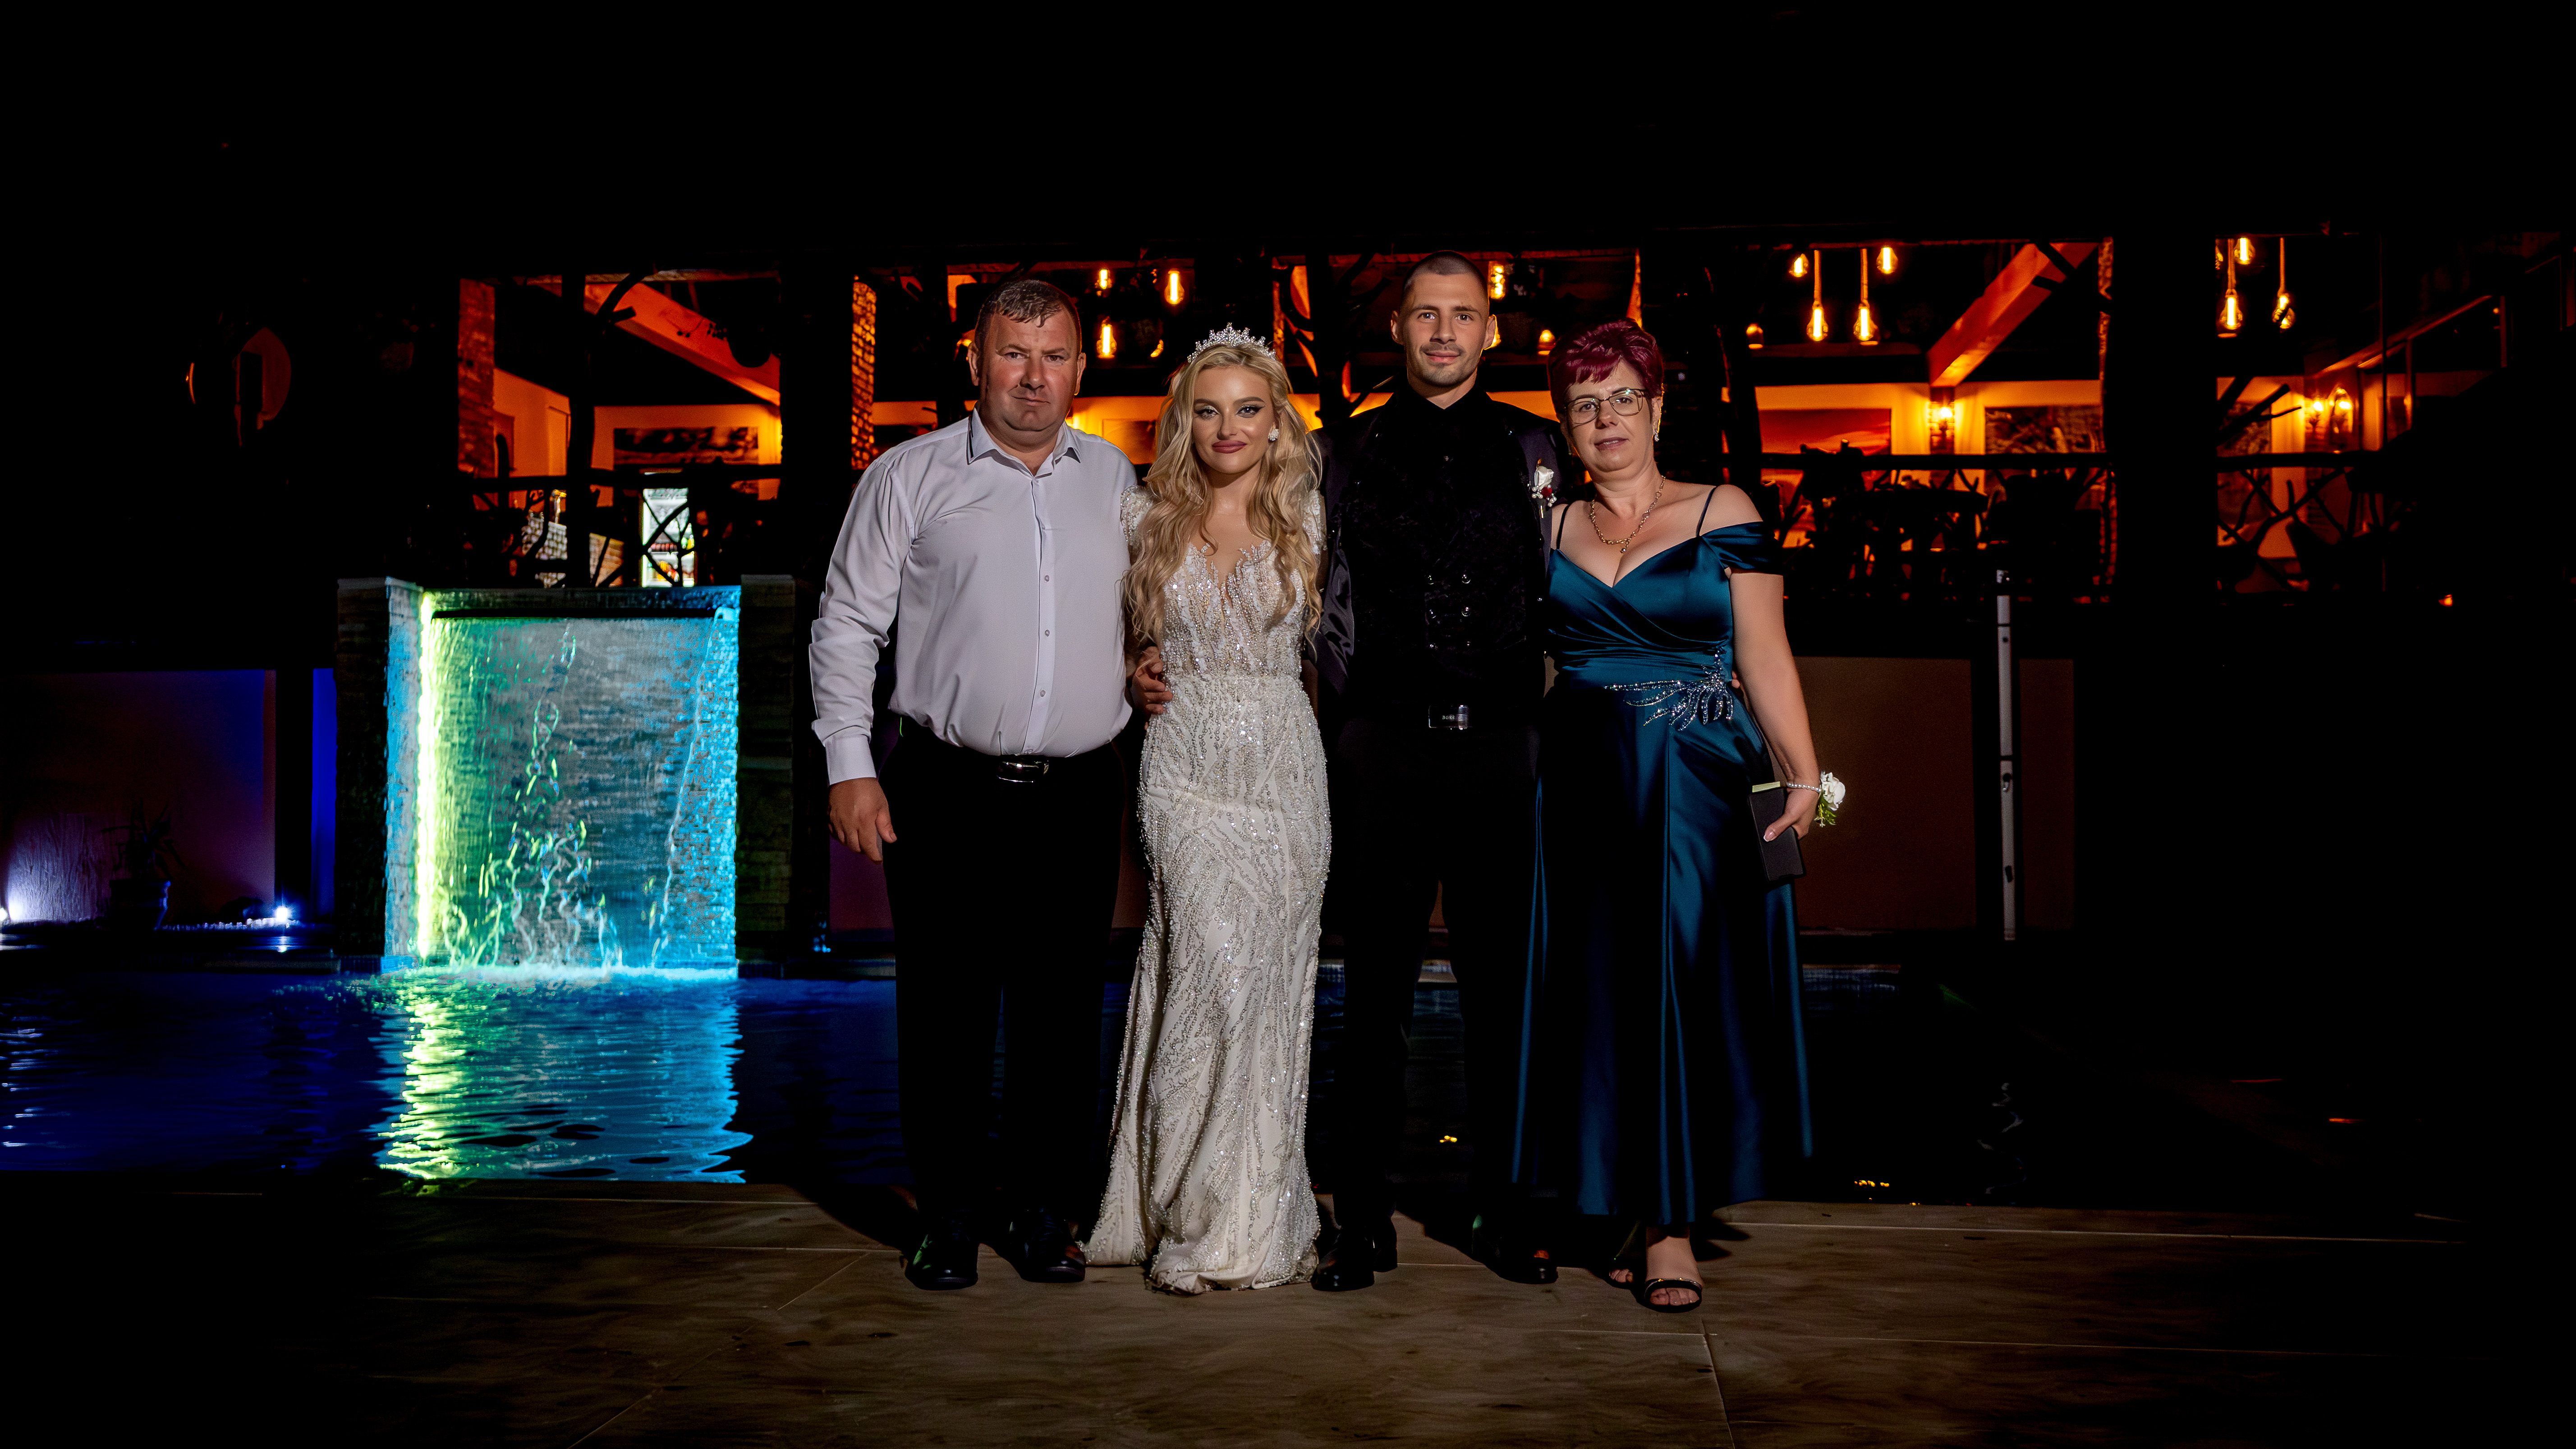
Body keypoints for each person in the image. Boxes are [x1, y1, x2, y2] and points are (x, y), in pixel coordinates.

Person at [1139, 253, 1570, 1291]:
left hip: (1502, 746)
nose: (1443, 331)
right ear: (1399, 328)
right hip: (1380, 747)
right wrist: (1148, 649)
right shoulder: (1340, 452)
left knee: (1504, 994)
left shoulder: (1536, 447)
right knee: (1372, 994)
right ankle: (1363, 1220)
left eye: (1462, 315)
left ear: (1488, 331)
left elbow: (1565, 582)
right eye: (1426, 314)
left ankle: (1509, 1209)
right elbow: (1251, 559)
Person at [810, 277, 1133, 1292]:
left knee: (1060, 1014)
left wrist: (1149, 661)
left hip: (1079, 791)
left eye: (1054, 356)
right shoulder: (907, 476)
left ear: (1079, 370)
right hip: (945, 784)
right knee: (945, 1010)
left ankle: (1040, 1212)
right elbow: (846, 625)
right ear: (976, 362)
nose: (1034, 377)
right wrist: (850, 765)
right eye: (1013, 354)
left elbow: (1142, 611)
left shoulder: (1115, 479)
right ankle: (947, 1218)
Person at [1512, 319, 1819, 1314]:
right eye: (1584, 405)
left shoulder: (1722, 507)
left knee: (1679, 986)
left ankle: (1672, 1225)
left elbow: (1764, 653)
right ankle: (1624, 1200)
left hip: (1694, 778)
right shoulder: (1546, 527)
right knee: (1601, 992)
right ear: (1565, 426)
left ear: (1655, 407)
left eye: (1622, 399)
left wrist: (1803, 772)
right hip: (1578, 785)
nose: (1605, 419)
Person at [1088, 328, 1330, 1292]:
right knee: (1207, 975)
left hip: (1284, 773)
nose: (1227, 427)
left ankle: (1250, 1206)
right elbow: (1091, 636)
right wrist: (1128, 669)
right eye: (1207, 409)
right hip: (1183, 766)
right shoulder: (1142, 515)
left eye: (1247, 409)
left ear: (1276, 424)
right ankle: (1185, 1206)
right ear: (1183, 421)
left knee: (1265, 990)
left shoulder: (1308, 512)